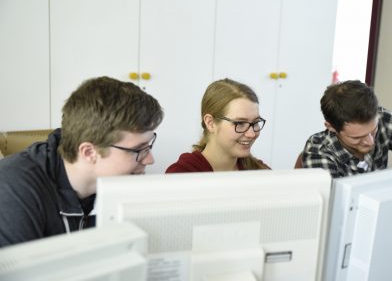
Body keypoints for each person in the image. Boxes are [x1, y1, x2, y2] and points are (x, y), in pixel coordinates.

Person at [0, 76, 163, 247]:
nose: (150, 160)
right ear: (89, 152)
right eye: (138, 149)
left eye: (149, 145)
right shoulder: (12, 191)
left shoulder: (122, 184)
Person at [300, 80, 392, 177]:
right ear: (331, 127)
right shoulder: (318, 151)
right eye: (356, 138)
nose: (370, 142)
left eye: (373, 131)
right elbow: (332, 210)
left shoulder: (383, 119)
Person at [166, 78, 270, 173]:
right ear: (210, 123)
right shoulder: (179, 175)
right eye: (240, 123)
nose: (251, 134)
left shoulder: (260, 171)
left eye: (255, 123)